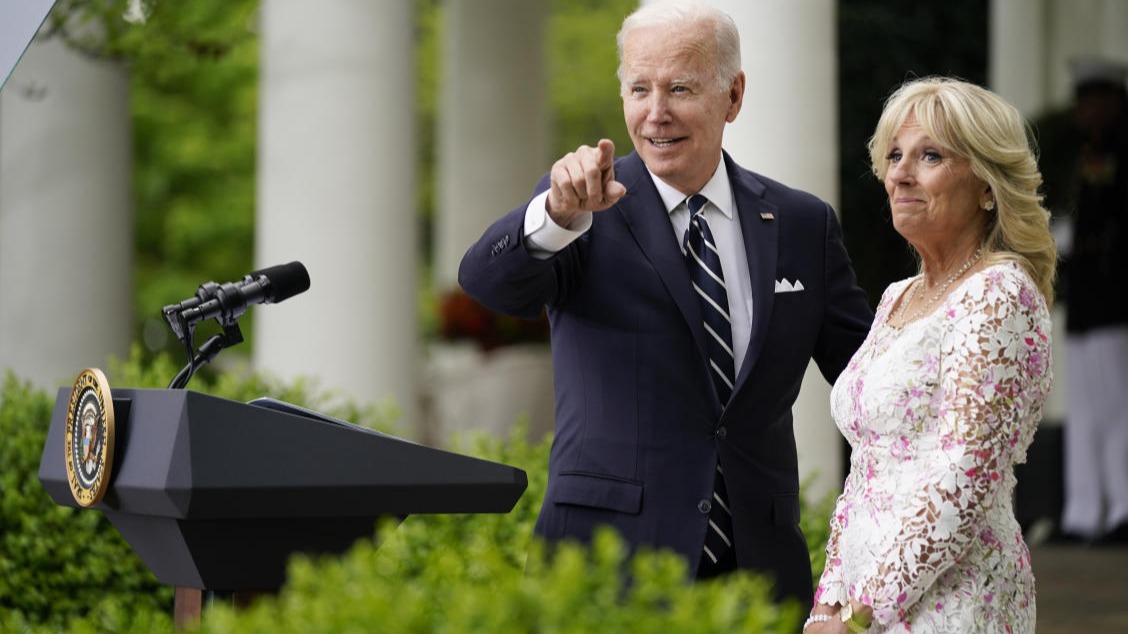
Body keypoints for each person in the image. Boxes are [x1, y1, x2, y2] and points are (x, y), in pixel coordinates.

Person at [458, 0, 873, 607]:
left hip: (759, 569)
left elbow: (870, 385)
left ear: (732, 96)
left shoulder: (801, 222)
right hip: (606, 563)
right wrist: (553, 216)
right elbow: (487, 284)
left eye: (680, 87)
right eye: (638, 88)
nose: (656, 114)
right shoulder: (579, 209)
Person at [804, 77, 1056, 633]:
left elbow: (965, 475)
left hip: (957, 602)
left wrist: (859, 616)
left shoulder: (999, 293)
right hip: (867, 605)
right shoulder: (899, 294)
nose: (901, 173)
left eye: (930, 155)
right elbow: (864, 469)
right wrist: (827, 604)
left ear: (988, 185)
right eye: (894, 155)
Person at [1057, 57, 1128, 545]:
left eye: (1092, 101)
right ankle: (1084, 512)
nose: (1084, 111)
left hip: (1115, 301)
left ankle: (1122, 508)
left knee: (1118, 410)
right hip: (1084, 303)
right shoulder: (1086, 155)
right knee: (1085, 411)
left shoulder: (1120, 153)